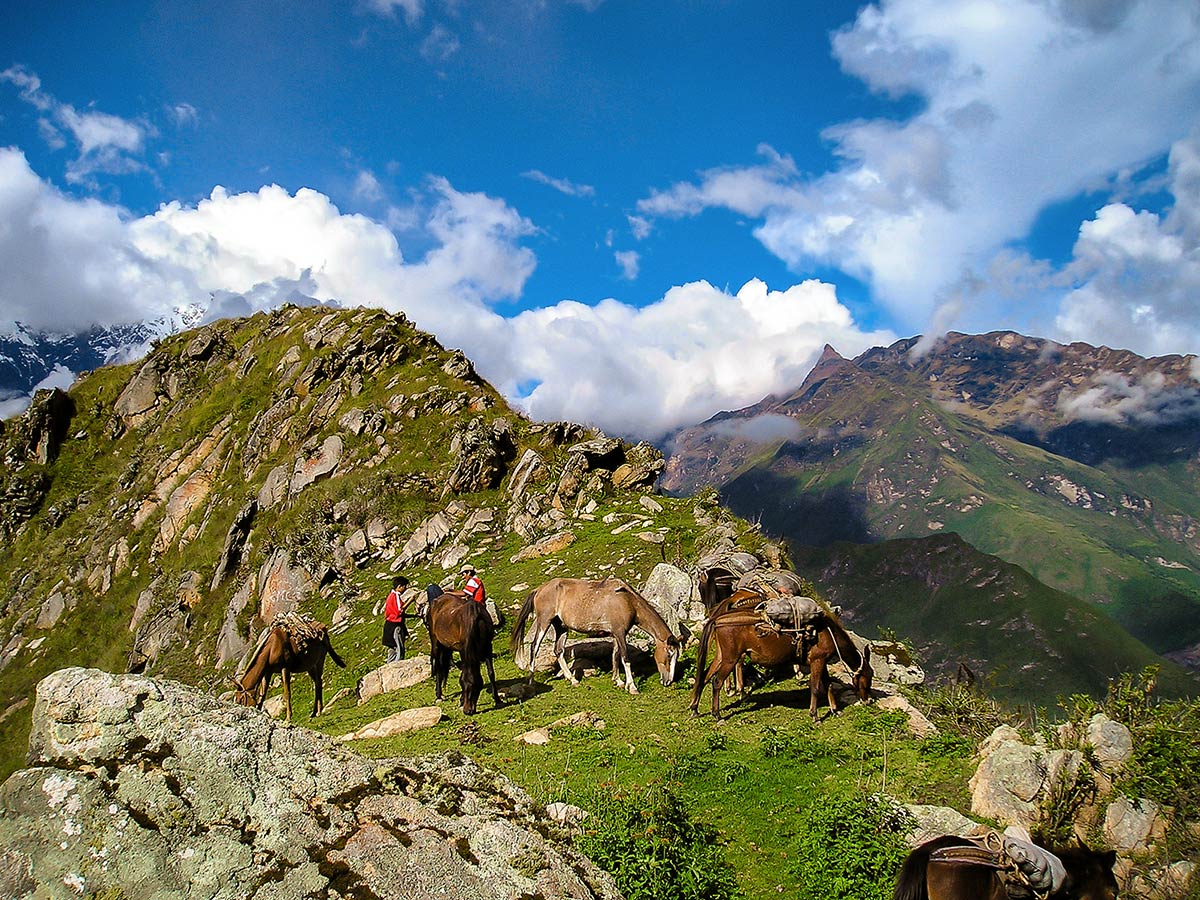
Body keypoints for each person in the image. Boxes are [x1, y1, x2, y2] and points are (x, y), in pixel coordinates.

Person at [383, 575, 409, 663]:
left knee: (392, 648)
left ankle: (389, 665)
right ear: (399, 587)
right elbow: (399, 611)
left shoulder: (390, 596)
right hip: (395, 625)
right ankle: (398, 665)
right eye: (404, 586)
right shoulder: (396, 596)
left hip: (389, 625)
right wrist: (410, 601)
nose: (405, 589)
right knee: (399, 648)